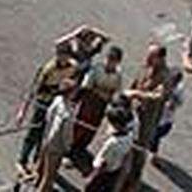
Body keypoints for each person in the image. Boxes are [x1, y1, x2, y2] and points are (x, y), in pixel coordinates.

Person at [17, 42, 77, 176]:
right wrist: (22, 111)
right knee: (33, 133)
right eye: (61, 56)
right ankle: (22, 160)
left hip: (56, 104)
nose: (63, 59)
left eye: (66, 56)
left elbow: (71, 84)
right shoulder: (48, 69)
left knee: (45, 134)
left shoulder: (73, 67)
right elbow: (34, 89)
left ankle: (36, 161)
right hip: (43, 103)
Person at [119, 43, 169, 191]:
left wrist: (137, 94)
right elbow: (134, 84)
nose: (147, 58)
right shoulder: (145, 67)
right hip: (133, 114)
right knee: (125, 145)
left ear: (160, 59)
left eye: (152, 56)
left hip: (147, 121)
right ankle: (121, 176)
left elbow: (159, 96)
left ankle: (133, 183)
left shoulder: (165, 76)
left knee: (139, 152)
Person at [70, 45, 123, 162]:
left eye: (113, 60)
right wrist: (101, 92)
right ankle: (70, 148)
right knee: (81, 124)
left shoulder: (117, 75)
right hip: (89, 101)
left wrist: (110, 98)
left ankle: (81, 148)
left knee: (92, 127)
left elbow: (116, 92)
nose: (110, 62)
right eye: (109, 58)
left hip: (101, 105)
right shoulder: (97, 68)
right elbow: (87, 85)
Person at [34, 80, 78, 192]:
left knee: (42, 165)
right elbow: (66, 133)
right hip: (56, 146)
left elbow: (48, 115)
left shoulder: (57, 100)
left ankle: (36, 180)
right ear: (71, 93)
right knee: (49, 176)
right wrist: (67, 146)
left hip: (47, 138)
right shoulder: (68, 112)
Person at [82, 105, 134, 192]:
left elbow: (103, 162)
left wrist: (92, 176)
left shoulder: (112, 143)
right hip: (114, 171)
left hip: (103, 172)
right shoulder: (129, 136)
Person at [149, 70, 185, 163]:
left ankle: (153, 154)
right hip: (156, 115)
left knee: (155, 136)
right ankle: (152, 152)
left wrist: (172, 100)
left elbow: (176, 104)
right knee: (153, 136)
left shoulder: (178, 90)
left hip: (165, 120)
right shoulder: (164, 84)